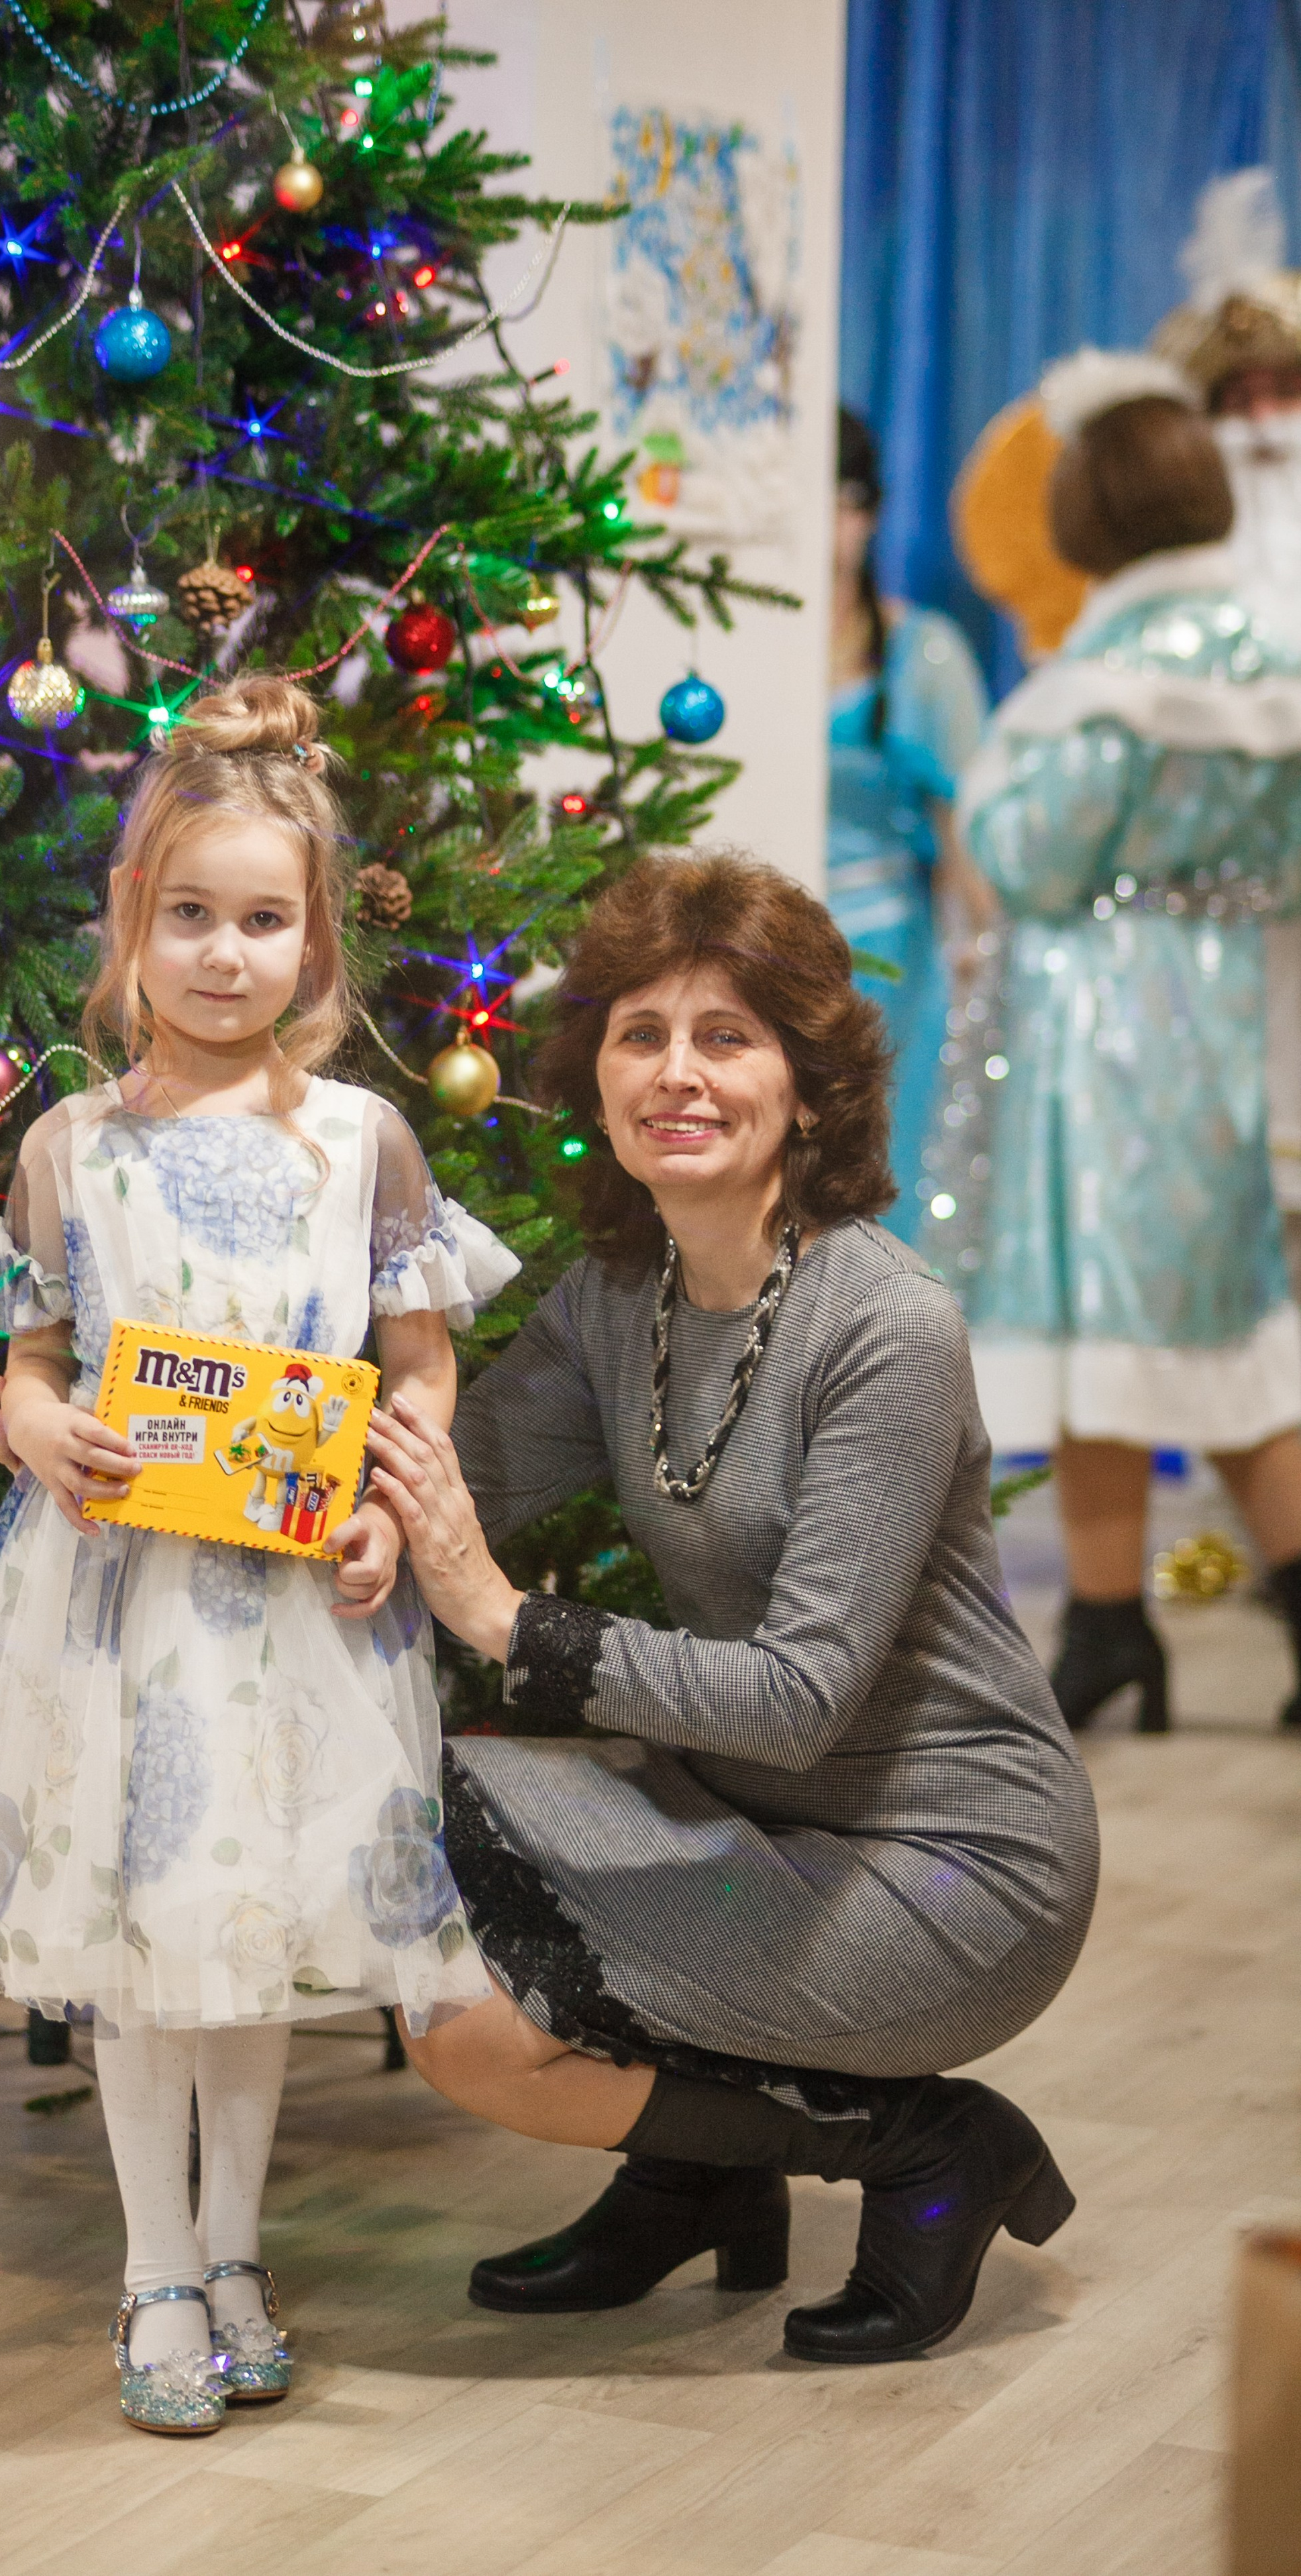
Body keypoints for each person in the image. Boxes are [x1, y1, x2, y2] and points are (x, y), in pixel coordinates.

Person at [360, 851, 1098, 2366]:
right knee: (417, 1869)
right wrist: (145, 1433)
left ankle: (916, 2145)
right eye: (640, 1033)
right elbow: (438, 1471)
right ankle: (698, 2171)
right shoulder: (609, 1298)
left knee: (468, 2026)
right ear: (598, 1071)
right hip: (755, 1818)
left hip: (953, 1868)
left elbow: (796, 1693)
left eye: (726, 1036)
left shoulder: (883, 1326)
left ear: (807, 1086)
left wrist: (510, 1624)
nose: (675, 1073)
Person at [0, 674, 515, 2436]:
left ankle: (237, 2247)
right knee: (139, 1936)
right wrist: (30, 1421)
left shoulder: (359, 1150)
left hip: (300, 1621)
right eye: (190, 916)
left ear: (314, 945)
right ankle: (153, 2263)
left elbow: (420, 1362)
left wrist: (395, 1506)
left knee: (248, 1940)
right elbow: (12, 1363)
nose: (224, 955)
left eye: (262, 921)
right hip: (115, 1615)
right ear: (132, 927)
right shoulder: (68, 1150)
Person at [923, 352, 1301, 1735]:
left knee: (1104, 1326)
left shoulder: (1104, 676)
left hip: (1092, 1019)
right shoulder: (1272, 653)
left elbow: (1024, 851)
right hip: (1213, 1004)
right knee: (1215, 1321)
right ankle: (1140, 1617)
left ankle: (1105, 1625)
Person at [1153, 169, 1301, 1232]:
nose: (1260, 426)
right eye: (1236, 400)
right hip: (1210, 922)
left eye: (1282, 393)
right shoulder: (1168, 584)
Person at [829, 408, 995, 1238]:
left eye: (847, 497)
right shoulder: (733, 652)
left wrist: (987, 960)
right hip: (757, 953)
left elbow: (974, 836)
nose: (830, 522)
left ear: (871, 511)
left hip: (892, 968)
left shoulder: (923, 653)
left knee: (883, 1184)